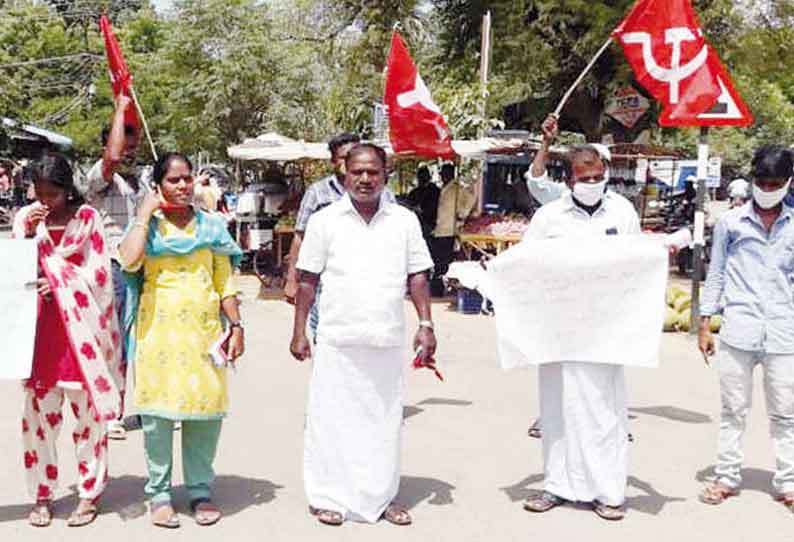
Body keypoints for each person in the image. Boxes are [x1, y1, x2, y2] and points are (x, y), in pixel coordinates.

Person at [290, 143, 436, 526]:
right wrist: (299, 331)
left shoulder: (404, 220)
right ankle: (328, 496)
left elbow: (418, 275)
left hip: (385, 339)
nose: (365, 179)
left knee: (383, 421)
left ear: (385, 173)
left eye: (373, 172)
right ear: (344, 173)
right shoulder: (325, 221)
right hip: (337, 338)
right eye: (358, 172)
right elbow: (307, 280)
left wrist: (426, 324)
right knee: (331, 419)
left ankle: (380, 497)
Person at [118, 152, 244, 528]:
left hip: (204, 334)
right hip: (157, 333)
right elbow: (127, 262)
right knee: (157, 415)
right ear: (158, 186)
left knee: (204, 413)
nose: (183, 186)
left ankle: (199, 490)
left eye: (187, 178)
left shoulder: (211, 227)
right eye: (173, 180)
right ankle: (158, 493)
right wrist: (143, 215)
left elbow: (225, 282)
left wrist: (237, 327)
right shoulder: (148, 228)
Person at [521, 145, 640, 521]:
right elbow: (527, 266)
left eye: (597, 177)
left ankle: (608, 492)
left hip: (606, 328)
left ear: (606, 172)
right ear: (568, 178)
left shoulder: (622, 212)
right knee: (556, 410)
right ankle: (557, 486)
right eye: (583, 178)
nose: (591, 183)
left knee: (605, 412)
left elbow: (636, 263)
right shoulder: (548, 217)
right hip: (559, 327)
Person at [15, 155, 124, 528]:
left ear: (67, 189)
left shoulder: (88, 219)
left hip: (82, 337)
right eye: (39, 192)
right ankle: (42, 494)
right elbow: (15, 273)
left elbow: (98, 274)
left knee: (88, 420)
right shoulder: (26, 219)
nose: (46, 200)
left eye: (53, 193)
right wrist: (27, 234)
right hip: (40, 333)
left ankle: (89, 493)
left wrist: (59, 282)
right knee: (39, 419)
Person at [698, 145, 794, 511]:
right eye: (762, 182)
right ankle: (726, 477)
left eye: (775, 183)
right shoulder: (730, 223)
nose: (767, 189)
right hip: (739, 329)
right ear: (753, 181)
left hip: (784, 333)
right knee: (733, 410)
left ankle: (787, 482)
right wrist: (705, 323)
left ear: (788, 183)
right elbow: (717, 273)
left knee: (786, 413)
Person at [83, 94, 151, 440]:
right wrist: (122, 108)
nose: (129, 151)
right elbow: (110, 157)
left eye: (133, 145)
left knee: (139, 341)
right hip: (112, 269)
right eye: (125, 144)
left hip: (140, 269)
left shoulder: (141, 182)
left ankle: (142, 406)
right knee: (113, 341)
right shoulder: (100, 178)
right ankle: (110, 411)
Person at [284, 133, 360, 304]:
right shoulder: (317, 193)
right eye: (343, 157)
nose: (349, 162)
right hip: (325, 283)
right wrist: (292, 279)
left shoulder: (380, 193)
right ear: (333, 161)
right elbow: (300, 236)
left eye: (354, 156)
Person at [431, 163, 477, 294]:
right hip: (440, 229)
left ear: (450, 174)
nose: (442, 176)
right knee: (439, 261)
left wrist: (462, 214)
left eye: (444, 173)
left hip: (449, 230)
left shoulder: (457, 189)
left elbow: (470, 200)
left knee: (444, 261)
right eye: (441, 174)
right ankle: (439, 287)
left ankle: (443, 288)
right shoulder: (445, 187)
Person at [406, 165, 441, 235]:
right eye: (420, 176)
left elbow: (436, 207)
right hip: (417, 225)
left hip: (431, 226)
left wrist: (421, 210)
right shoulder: (414, 192)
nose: (421, 178)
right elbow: (408, 206)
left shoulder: (435, 190)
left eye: (423, 176)